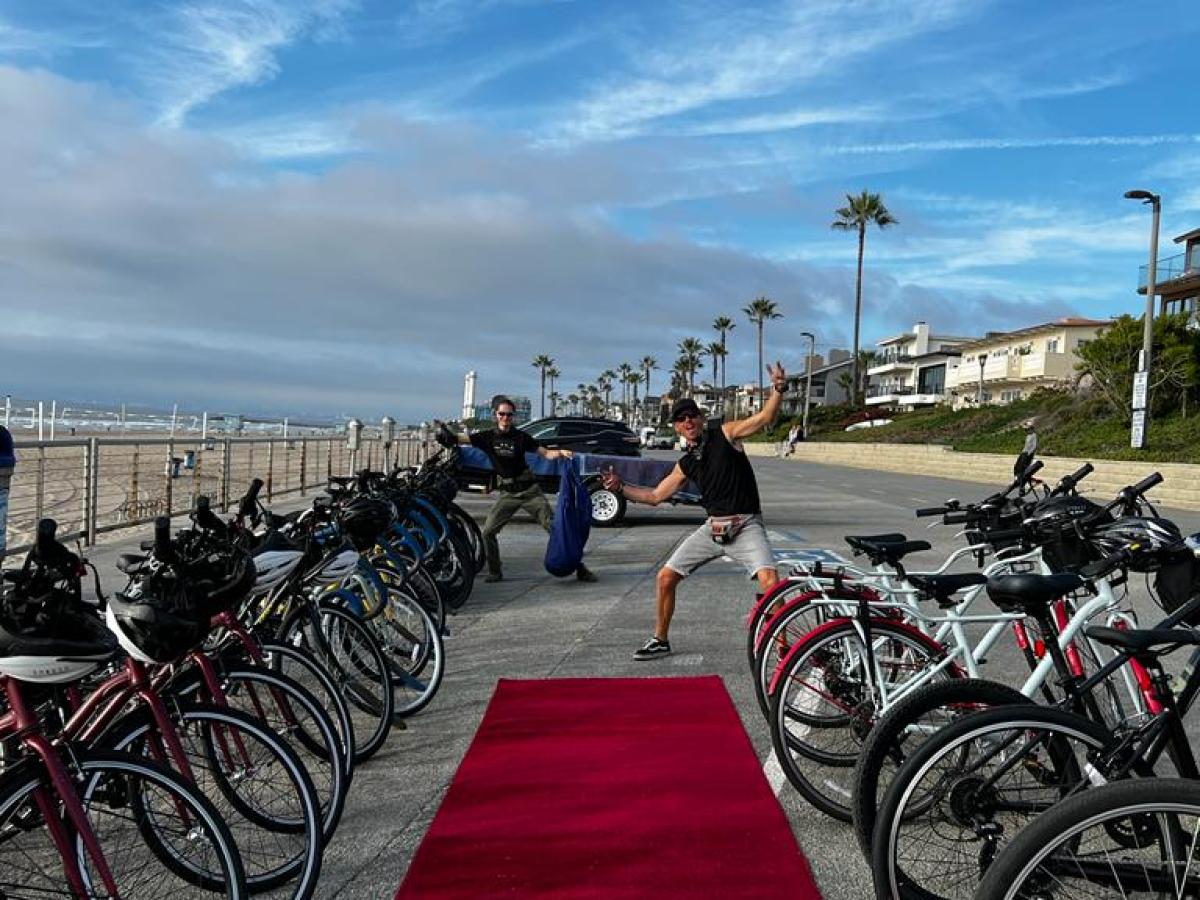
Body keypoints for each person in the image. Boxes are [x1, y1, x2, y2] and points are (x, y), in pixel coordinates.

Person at [601, 362, 786, 660]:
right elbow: (654, 496)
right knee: (665, 577)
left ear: (701, 418)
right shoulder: (686, 462)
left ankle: (784, 648)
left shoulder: (726, 434)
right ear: (676, 426)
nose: (687, 421)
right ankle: (660, 639)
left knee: (770, 582)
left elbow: (764, 417)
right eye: (681, 419)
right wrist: (620, 488)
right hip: (713, 528)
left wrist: (778, 389)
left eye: (692, 416)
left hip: (746, 525)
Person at [442, 398, 597, 584]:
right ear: (495, 415)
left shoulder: (521, 438)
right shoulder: (486, 437)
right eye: (502, 414)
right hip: (508, 494)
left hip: (530, 492)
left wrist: (561, 452)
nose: (505, 418)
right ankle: (495, 571)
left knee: (557, 530)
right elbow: (460, 439)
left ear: (513, 417)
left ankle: (579, 568)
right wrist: (446, 437)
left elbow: (546, 453)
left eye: (509, 415)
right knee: (488, 532)